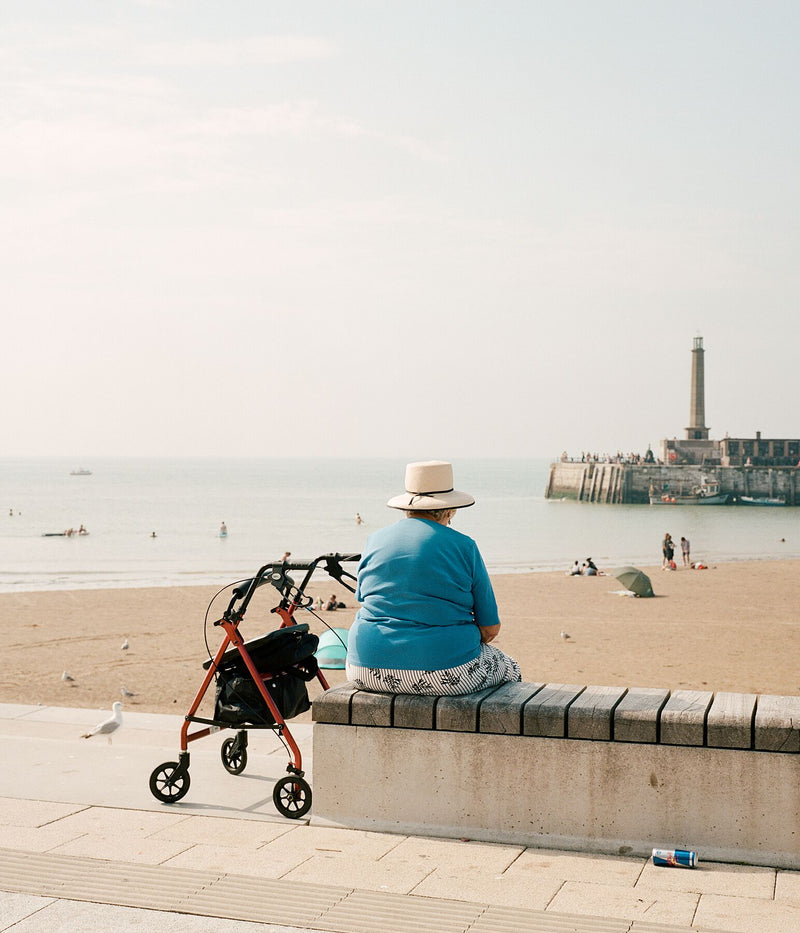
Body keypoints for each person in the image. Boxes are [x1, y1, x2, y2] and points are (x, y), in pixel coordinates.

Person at [346, 460, 521, 695]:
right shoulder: (464, 546)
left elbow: (364, 598)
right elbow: (490, 628)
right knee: (511, 669)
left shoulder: (374, 540)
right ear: (449, 509)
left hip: (364, 668)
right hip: (444, 672)